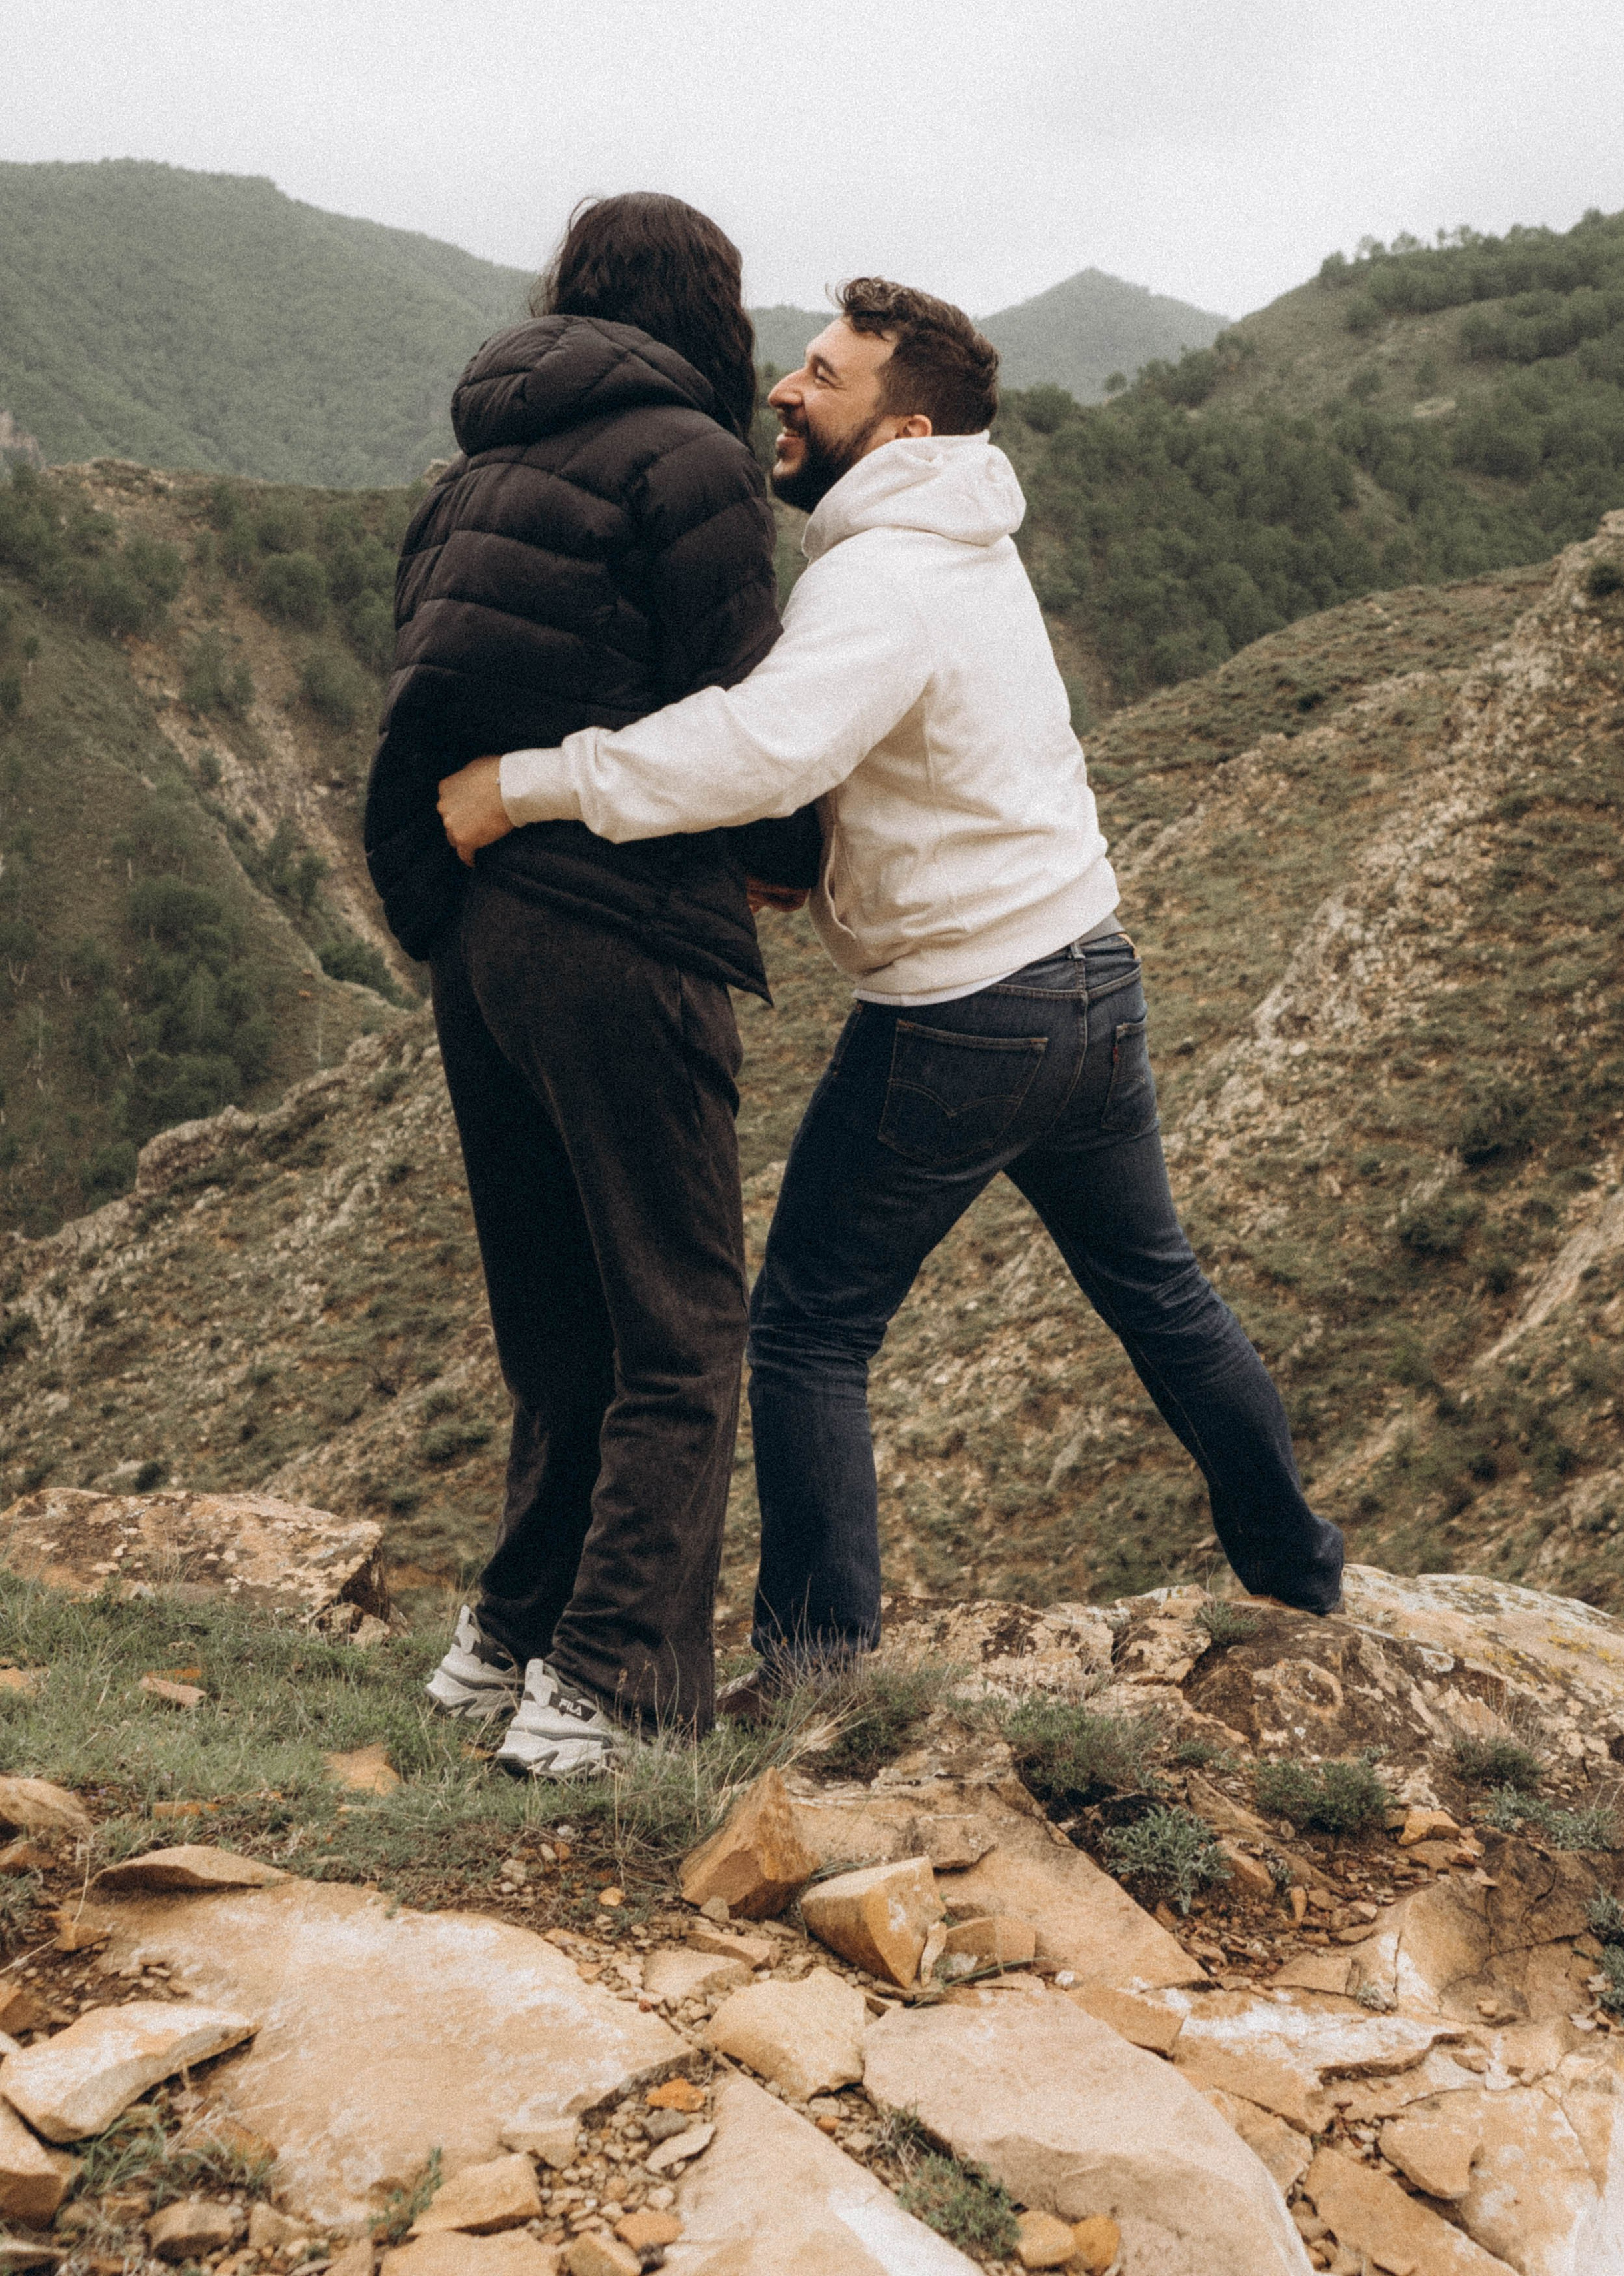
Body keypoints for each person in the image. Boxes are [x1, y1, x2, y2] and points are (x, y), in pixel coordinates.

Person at [436, 276, 1343, 1717]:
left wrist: (529, 784)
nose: (787, 393)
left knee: (802, 1328)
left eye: (822, 375)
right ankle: (1299, 1574)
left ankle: (807, 1677)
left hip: (963, 1012)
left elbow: (759, 753)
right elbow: (907, 752)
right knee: (1158, 1294)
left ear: (902, 423)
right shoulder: (963, 543)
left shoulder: (878, 575)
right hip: (1088, 979)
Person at [364, 192, 818, 1775]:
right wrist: (788, 855)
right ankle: (615, 1687)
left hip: (482, 935)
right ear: (709, 307)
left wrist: (438, 912)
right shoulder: (688, 461)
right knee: (682, 1322)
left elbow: (415, 712)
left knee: (556, 1315)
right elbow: (741, 702)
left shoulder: (476, 469)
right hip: (622, 927)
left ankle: (504, 1644)